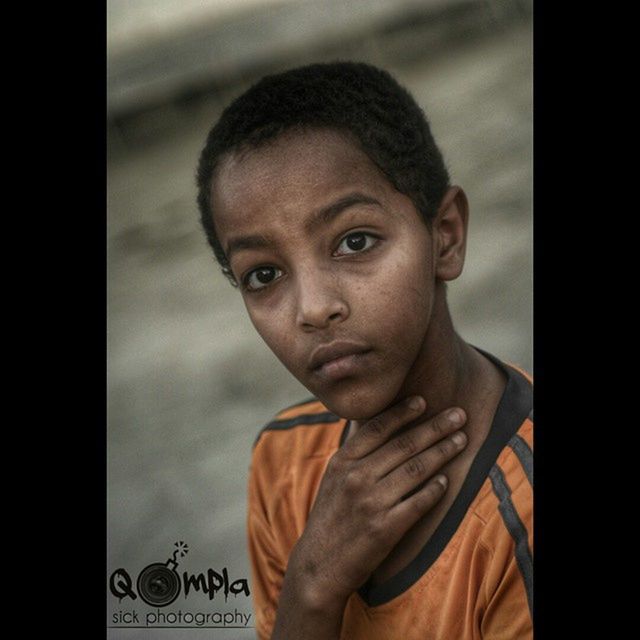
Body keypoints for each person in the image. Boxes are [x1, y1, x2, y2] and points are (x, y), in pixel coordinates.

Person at [196, 61, 533, 640]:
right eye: (263, 274)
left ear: (444, 235)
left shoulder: (522, 516)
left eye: (355, 241)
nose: (313, 308)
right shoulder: (283, 463)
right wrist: (313, 580)